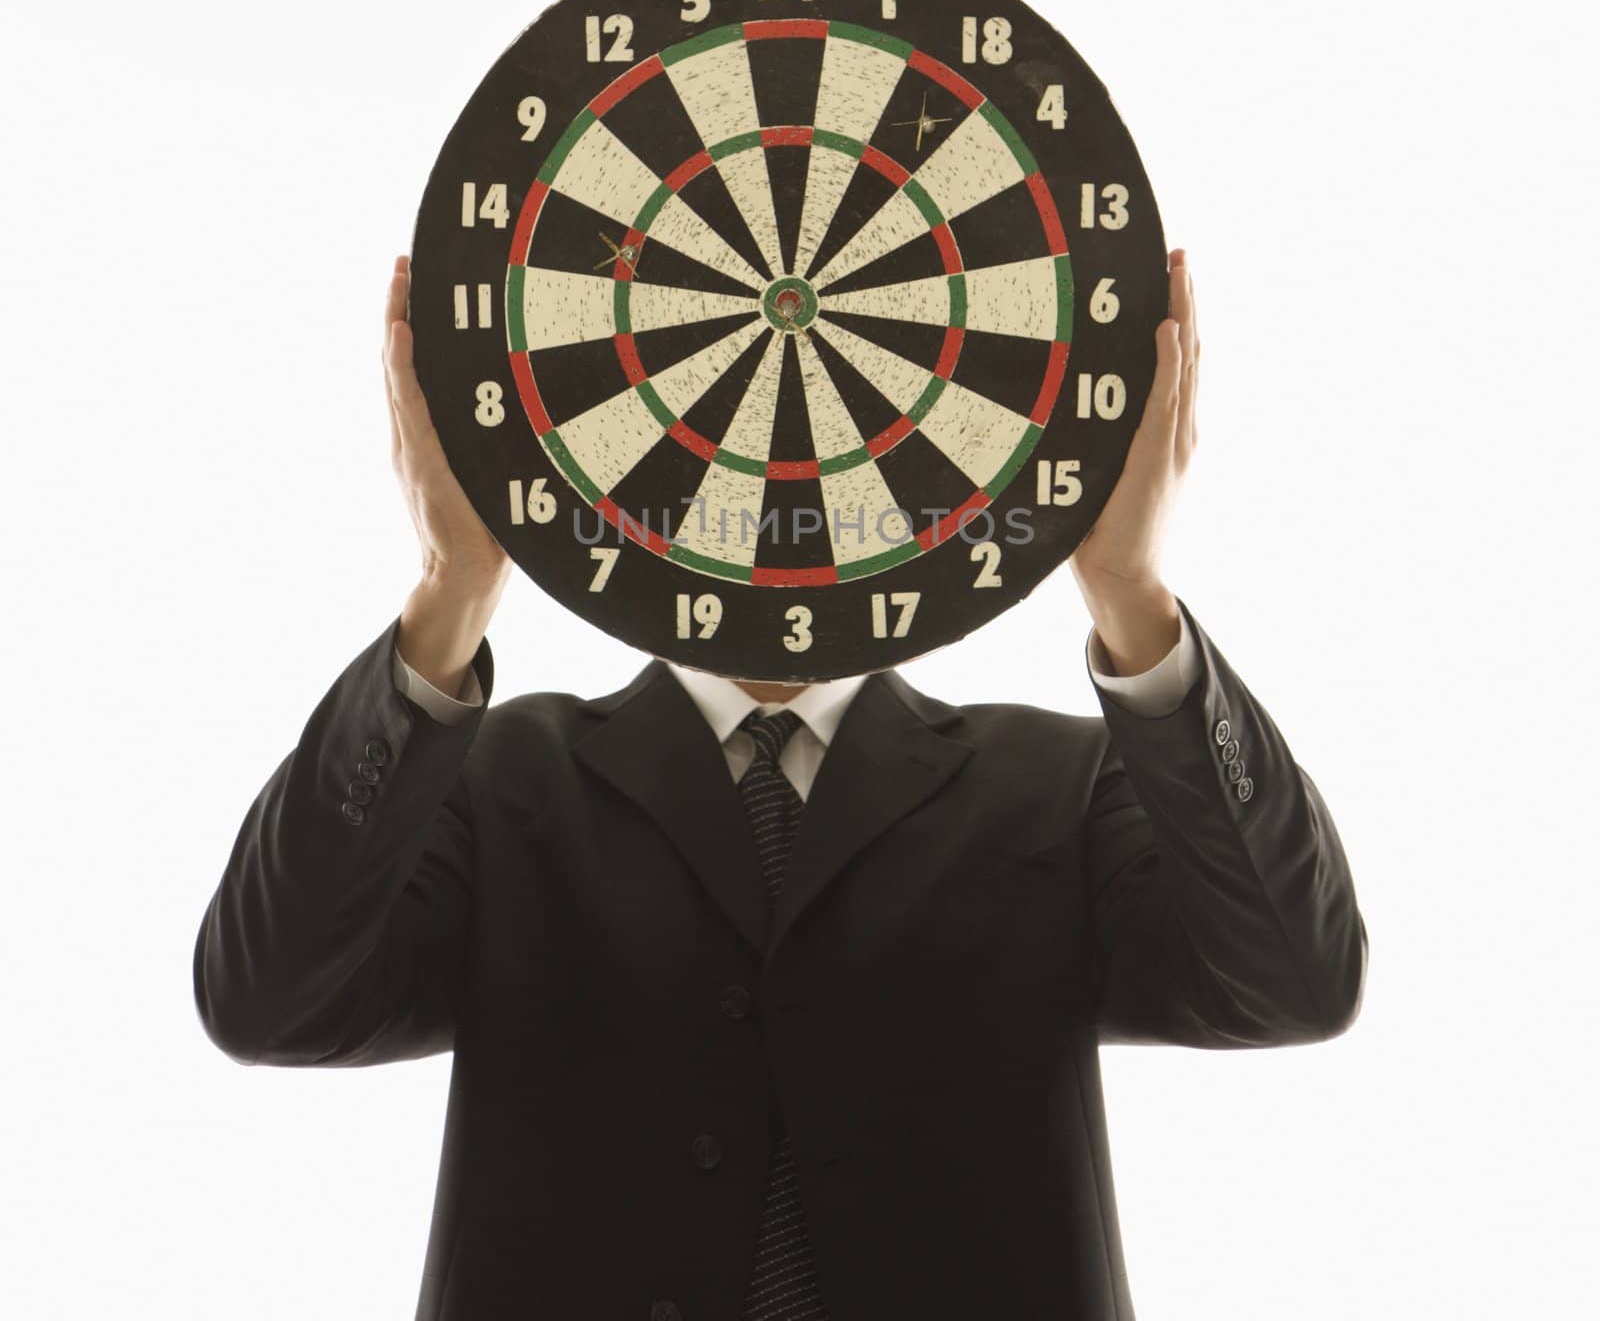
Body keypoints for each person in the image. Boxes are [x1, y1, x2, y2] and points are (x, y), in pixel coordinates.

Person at [193, 247, 1367, 1321]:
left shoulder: (1059, 786)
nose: (783, 499)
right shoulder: (497, 777)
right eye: (735, 439)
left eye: (836, 446)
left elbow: (1298, 983)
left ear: (920, 498)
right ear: (637, 482)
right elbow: (266, 998)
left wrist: (1130, 598)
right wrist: (452, 591)